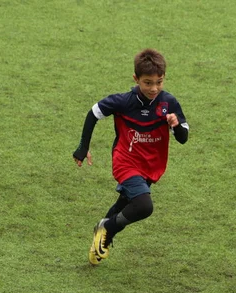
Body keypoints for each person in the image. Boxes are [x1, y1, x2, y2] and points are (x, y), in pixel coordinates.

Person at [73, 49, 189, 265]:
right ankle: (107, 229)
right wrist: (83, 147)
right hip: (125, 162)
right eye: (147, 83)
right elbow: (94, 113)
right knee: (144, 206)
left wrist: (175, 125)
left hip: (151, 165)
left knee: (125, 204)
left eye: (159, 82)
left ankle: (103, 234)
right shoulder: (123, 101)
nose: (154, 88)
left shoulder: (169, 103)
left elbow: (183, 138)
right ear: (136, 79)